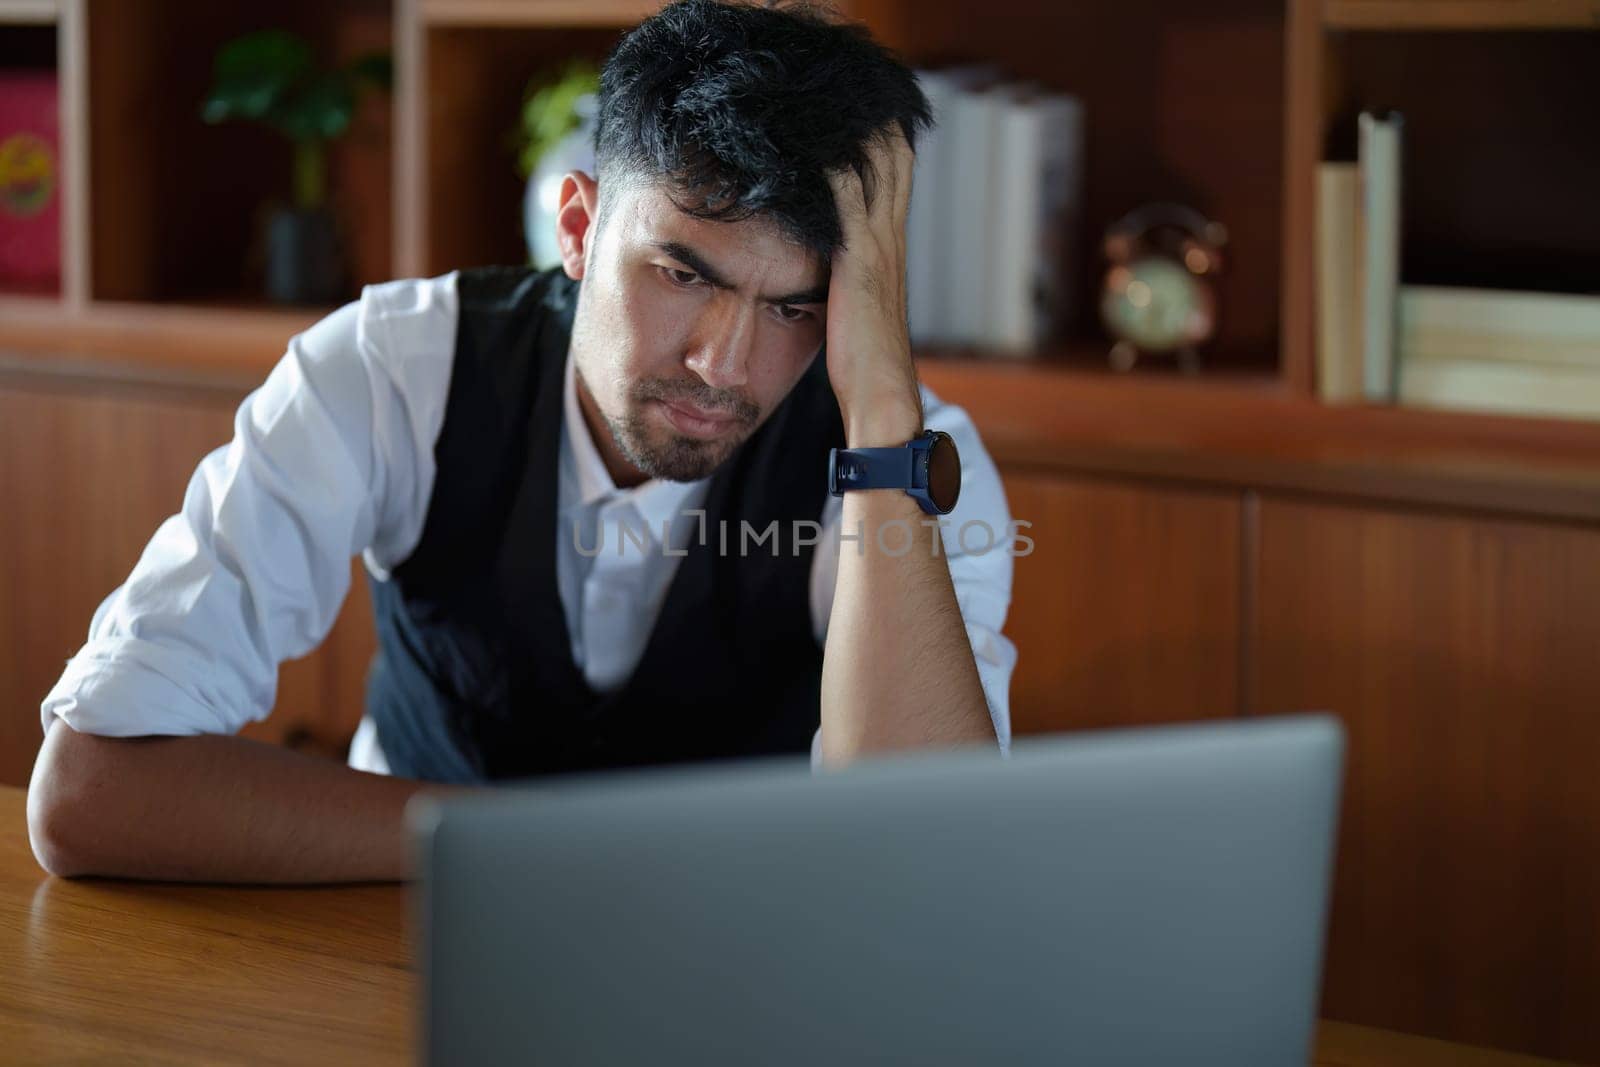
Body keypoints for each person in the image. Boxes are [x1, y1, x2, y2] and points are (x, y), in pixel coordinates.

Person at [27, 0, 1017, 884]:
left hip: (735, 963)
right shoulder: (395, 370)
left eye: (794, 305)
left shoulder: (904, 462)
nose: (725, 362)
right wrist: (551, 848)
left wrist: (885, 412)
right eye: (682, 274)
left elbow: (939, 870)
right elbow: (90, 787)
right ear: (579, 228)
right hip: (404, 930)